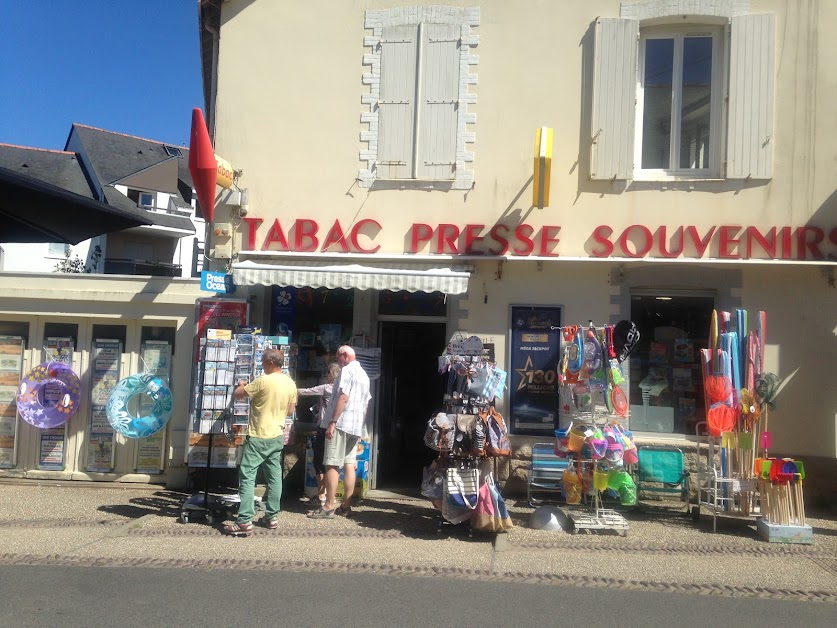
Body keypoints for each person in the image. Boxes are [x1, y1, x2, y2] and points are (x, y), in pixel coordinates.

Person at [223, 348, 297, 537]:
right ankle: (272, 516)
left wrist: (241, 384)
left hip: (258, 435)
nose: (262, 365)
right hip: (277, 435)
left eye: (263, 361)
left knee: (247, 476)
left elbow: (239, 394)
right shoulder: (290, 383)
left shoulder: (263, 381)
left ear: (271, 363)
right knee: (274, 477)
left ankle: (245, 521)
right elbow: (290, 410)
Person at [308, 345, 370, 519]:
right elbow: (365, 404)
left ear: (345, 356)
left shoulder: (347, 371)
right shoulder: (364, 375)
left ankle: (328, 506)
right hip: (355, 426)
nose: (337, 361)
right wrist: (360, 428)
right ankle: (346, 505)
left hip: (341, 423)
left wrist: (333, 422)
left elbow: (343, 397)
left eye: (338, 357)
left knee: (331, 463)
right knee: (349, 464)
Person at [297, 362, 341, 509]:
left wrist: (291, 389)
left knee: (319, 462)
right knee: (331, 463)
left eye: (327, 373)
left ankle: (321, 496)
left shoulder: (326, 388)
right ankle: (330, 496)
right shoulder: (342, 390)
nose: (325, 375)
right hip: (336, 428)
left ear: (331, 374)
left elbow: (306, 391)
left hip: (323, 427)